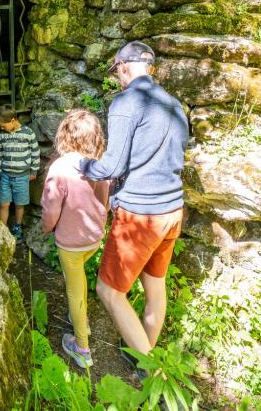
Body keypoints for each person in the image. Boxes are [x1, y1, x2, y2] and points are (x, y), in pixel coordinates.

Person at [78, 41, 188, 377]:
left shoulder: (127, 102)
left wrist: (84, 165)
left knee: (108, 291)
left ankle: (155, 374)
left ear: (124, 66)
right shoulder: (174, 105)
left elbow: (112, 165)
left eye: (116, 73)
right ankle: (144, 358)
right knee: (155, 287)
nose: (118, 79)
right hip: (172, 209)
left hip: (140, 214)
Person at [42, 109, 110, 369]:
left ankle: (82, 347)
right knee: (79, 279)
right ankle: (80, 320)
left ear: (66, 135)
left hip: (70, 241)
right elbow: (105, 200)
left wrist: (47, 228)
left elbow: (50, 209)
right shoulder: (102, 163)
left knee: (74, 291)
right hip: (93, 237)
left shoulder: (60, 168)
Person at [0, 104, 40, 239]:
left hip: (22, 176)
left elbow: (35, 153)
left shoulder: (28, 133)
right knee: (4, 203)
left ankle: (17, 227)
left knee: (20, 204)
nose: (1, 128)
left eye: (3, 125)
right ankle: (3, 230)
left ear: (13, 121)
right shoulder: (2, 135)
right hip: (5, 176)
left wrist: (34, 170)